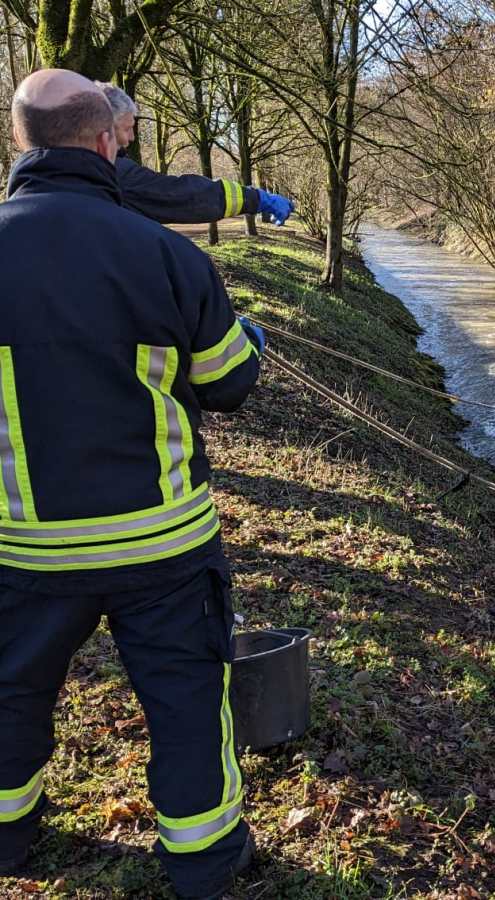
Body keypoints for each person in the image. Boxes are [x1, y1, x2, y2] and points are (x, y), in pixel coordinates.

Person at [0, 70, 262, 899]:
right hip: (162, 543)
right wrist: (241, 337)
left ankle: (7, 841)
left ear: (21, 143)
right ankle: (203, 865)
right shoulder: (163, 253)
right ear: (107, 141)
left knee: (9, 697)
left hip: (26, 547)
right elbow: (228, 383)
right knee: (186, 701)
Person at [96, 82, 293, 227]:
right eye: (127, 128)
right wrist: (257, 198)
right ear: (104, 130)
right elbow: (181, 196)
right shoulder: (109, 173)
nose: (131, 138)